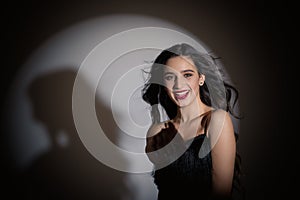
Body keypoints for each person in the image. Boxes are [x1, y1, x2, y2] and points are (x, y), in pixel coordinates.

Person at [142, 43, 244, 200]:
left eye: (187, 75)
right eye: (170, 77)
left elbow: (221, 193)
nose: (178, 85)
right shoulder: (157, 132)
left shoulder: (216, 120)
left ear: (201, 78)